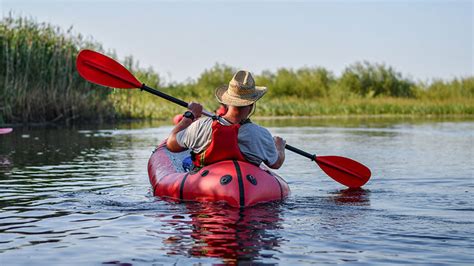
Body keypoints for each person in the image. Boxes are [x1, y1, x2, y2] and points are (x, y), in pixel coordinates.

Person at [166, 70, 286, 169]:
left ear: (227, 101)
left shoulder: (200, 126)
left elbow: (171, 144)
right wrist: (279, 146)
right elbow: (276, 164)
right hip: (245, 188)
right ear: (252, 104)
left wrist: (190, 115)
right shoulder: (260, 135)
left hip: (207, 186)